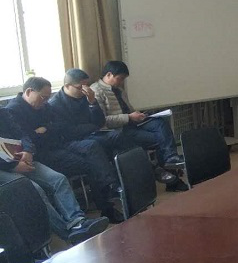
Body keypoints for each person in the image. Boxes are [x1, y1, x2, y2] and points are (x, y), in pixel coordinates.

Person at [6, 77, 122, 222]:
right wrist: (44, 131)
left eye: (48, 98)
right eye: (43, 97)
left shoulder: (44, 106)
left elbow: (60, 126)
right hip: (39, 154)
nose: (45, 101)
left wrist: (45, 129)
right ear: (29, 91)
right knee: (91, 164)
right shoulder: (12, 110)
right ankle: (105, 206)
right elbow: (25, 138)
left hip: (58, 145)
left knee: (94, 154)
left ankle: (109, 198)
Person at [0, 107, 108, 244]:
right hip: (3, 170)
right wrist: (13, 166)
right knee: (35, 191)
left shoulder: (3, 112)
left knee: (58, 179)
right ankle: (68, 233)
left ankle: (78, 222)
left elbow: (22, 134)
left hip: (20, 159)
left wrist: (28, 151)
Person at [91, 61, 187, 191]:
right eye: (120, 78)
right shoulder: (96, 91)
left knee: (160, 123)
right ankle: (172, 180)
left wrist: (139, 115)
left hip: (133, 124)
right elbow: (102, 122)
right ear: (109, 75)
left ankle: (171, 158)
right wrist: (129, 117)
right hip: (119, 131)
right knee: (162, 139)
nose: (121, 82)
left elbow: (129, 110)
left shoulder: (119, 90)